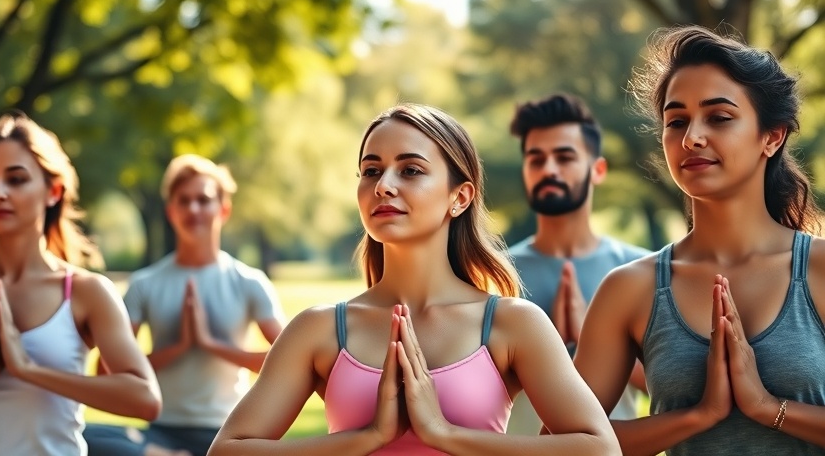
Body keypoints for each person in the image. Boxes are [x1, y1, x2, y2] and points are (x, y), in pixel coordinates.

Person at [208, 103, 621, 455]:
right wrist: (366, 437)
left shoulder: (512, 324)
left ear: (459, 197)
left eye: (410, 170)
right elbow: (227, 449)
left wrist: (445, 433)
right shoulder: (319, 329)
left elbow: (600, 447)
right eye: (371, 171)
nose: (383, 186)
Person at [574, 24, 825, 455]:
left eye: (719, 117)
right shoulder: (629, 289)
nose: (692, 138)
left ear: (772, 136)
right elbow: (564, 444)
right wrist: (698, 415)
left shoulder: (819, 269)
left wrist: (768, 407)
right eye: (676, 121)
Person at [0, 112, 162, 455]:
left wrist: (28, 369)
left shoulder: (86, 292)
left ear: (53, 190)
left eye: (16, 179)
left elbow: (145, 399)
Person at [84, 154, 285, 456]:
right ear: (171, 211)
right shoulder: (145, 284)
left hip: (229, 433)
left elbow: (287, 363)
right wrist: (178, 347)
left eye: (203, 200)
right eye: (184, 201)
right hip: (162, 432)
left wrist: (210, 344)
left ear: (223, 209)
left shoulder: (248, 282)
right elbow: (105, 372)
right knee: (83, 436)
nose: (194, 209)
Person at [505, 93, 650, 435]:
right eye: (535, 159)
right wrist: (539, 346)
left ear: (598, 169)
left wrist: (594, 339)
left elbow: (670, 387)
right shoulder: (492, 274)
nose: (549, 169)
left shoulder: (641, 270)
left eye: (564, 157)